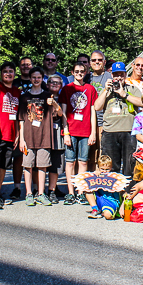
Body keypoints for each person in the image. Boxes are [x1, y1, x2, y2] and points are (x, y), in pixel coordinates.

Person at [95, 61, 143, 179]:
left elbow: (142, 102)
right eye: (116, 75)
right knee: (110, 166)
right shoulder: (107, 90)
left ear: (125, 75)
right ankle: (112, 194)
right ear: (112, 75)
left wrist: (124, 94)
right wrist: (106, 90)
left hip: (128, 132)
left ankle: (127, 193)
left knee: (129, 166)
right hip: (110, 132)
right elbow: (97, 107)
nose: (119, 77)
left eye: (121, 74)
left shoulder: (132, 89)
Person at [60, 62, 98, 204]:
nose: (79, 73)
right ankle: (70, 192)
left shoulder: (90, 89)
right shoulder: (67, 89)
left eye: (82, 71)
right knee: (70, 162)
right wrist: (66, 132)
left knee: (83, 162)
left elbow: (93, 112)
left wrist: (93, 132)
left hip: (85, 131)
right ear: (72, 72)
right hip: (71, 129)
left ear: (86, 72)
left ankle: (81, 191)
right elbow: (63, 112)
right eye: (77, 71)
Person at [0, 62, 22, 209]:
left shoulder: (17, 91)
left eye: (11, 71)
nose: (8, 74)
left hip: (11, 135)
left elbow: (19, 114)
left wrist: (18, 134)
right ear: (1, 74)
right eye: (5, 71)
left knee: (3, 166)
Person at [18, 67, 54, 206]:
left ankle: (41, 193)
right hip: (28, 136)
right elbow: (21, 119)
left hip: (44, 135)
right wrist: (21, 139)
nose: (36, 80)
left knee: (42, 166)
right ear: (30, 78)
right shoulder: (24, 96)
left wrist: (54, 102)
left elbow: (56, 113)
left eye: (39, 77)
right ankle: (28, 193)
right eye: (33, 77)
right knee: (27, 165)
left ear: (42, 78)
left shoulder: (47, 95)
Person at [89, 50, 113, 169]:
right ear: (90, 63)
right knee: (89, 157)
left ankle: (102, 184)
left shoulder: (110, 77)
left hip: (105, 122)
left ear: (104, 62)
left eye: (99, 60)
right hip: (88, 123)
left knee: (103, 157)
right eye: (94, 60)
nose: (97, 62)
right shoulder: (86, 77)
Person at [46, 75, 66, 202]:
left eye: (57, 83)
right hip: (43, 134)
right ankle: (39, 189)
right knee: (41, 162)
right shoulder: (42, 96)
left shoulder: (63, 98)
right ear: (47, 84)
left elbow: (61, 114)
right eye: (52, 82)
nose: (54, 84)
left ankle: (52, 189)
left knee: (56, 162)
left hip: (57, 132)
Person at [85, 155, 121, 219]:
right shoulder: (97, 175)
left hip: (111, 200)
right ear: (98, 167)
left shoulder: (114, 177)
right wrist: (95, 174)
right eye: (102, 169)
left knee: (108, 216)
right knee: (88, 189)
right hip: (99, 198)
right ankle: (95, 209)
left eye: (107, 169)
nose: (104, 171)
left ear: (111, 168)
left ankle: (105, 212)